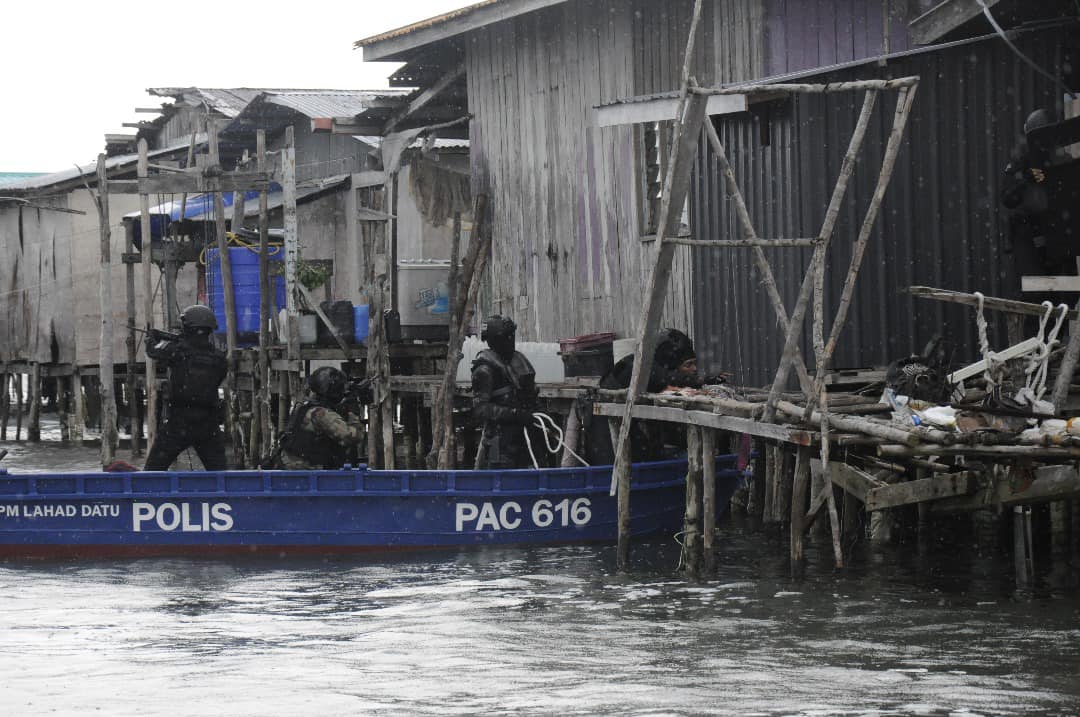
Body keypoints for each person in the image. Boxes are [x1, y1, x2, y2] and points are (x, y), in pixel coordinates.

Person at [587, 328, 715, 464]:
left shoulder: (647, 367)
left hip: (620, 431)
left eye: (695, 364)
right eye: (688, 364)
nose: (694, 369)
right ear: (670, 363)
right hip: (607, 436)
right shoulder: (642, 368)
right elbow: (669, 379)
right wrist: (706, 381)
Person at [143, 305, 229, 471]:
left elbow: (153, 352)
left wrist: (151, 339)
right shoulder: (220, 359)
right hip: (208, 425)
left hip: (179, 423)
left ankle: (145, 497)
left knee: (152, 472)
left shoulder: (178, 351)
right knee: (220, 476)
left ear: (190, 328)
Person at [471, 315, 541, 469]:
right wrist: (515, 414)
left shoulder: (517, 360)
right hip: (501, 442)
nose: (511, 340)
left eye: (512, 336)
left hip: (526, 437)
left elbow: (531, 392)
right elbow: (480, 410)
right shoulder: (485, 369)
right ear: (496, 340)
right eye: (507, 337)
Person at [277, 366, 366, 470]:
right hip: (308, 471)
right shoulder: (320, 414)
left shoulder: (303, 407)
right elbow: (352, 436)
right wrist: (353, 413)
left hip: (290, 467)